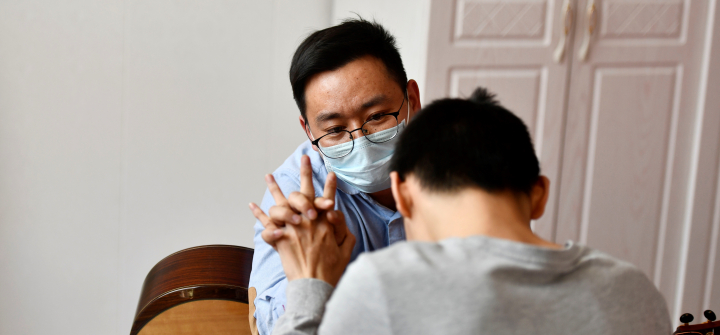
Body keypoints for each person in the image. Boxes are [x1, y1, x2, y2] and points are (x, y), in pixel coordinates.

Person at [250, 88, 672, 334]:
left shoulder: (385, 286)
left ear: (403, 193)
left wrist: (308, 283)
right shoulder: (634, 292)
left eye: (378, 117)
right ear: (540, 195)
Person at [247, 18, 422, 334]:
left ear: (412, 99)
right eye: (335, 130)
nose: (361, 140)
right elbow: (273, 327)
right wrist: (313, 276)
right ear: (309, 130)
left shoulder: (461, 169)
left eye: (378, 116)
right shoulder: (297, 200)